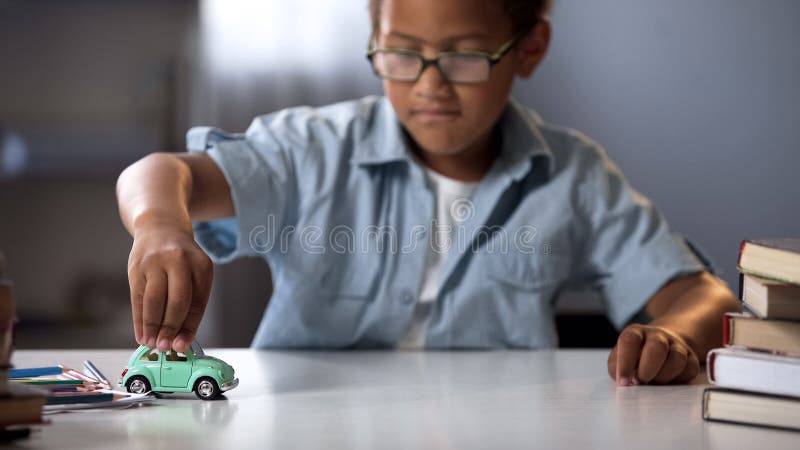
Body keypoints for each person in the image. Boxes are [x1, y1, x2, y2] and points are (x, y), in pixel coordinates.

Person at [116, 0, 739, 386]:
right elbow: (165, 173)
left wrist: (676, 337)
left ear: (529, 50)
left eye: (465, 57)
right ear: (375, 36)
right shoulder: (312, 147)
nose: (430, 86)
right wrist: (160, 225)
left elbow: (701, 294)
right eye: (402, 55)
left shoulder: (572, 176)